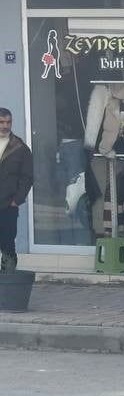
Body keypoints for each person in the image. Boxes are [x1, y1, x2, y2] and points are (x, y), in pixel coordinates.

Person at [0, 107, 33, 273]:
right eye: (2, 122)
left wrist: (17, 200)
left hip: (8, 204)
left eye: (8, 122)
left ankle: (7, 281)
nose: (5, 126)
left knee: (7, 244)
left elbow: (27, 177)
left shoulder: (20, 148)